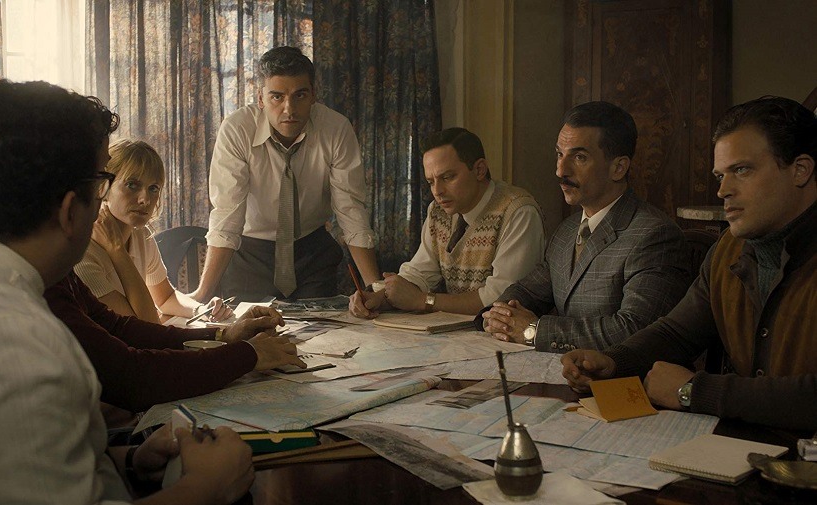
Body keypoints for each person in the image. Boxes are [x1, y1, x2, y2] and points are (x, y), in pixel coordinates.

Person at [0, 80, 253, 503]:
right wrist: (207, 486)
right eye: (103, 182)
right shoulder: (15, 344)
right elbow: (129, 368)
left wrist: (129, 460)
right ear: (69, 210)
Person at [562, 96, 817, 431]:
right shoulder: (728, 249)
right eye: (720, 175)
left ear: (800, 170)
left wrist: (694, 391)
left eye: (742, 170)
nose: (723, 191)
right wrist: (613, 362)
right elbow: (677, 333)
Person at [479, 101, 687, 353]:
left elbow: (634, 329)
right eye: (559, 154)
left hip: (625, 375)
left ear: (618, 168)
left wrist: (533, 331)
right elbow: (527, 291)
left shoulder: (654, 235)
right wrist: (500, 315)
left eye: (579, 157)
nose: (560, 171)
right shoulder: (567, 230)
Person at [192, 46, 380, 303]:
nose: (289, 109)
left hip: (312, 252)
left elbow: (351, 210)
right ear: (261, 99)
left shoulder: (336, 129)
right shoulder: (237, 129)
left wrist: (374, 287)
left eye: (300, 95)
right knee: (250, 327)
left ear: (313, 95)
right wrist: (202, 294)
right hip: (250, 254)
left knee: (323, 327)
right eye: (277, 97)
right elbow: (227, 214)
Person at [349, 127, 545, 317]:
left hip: (504, 334)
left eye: (447, 177)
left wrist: (424, 301)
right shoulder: (438, 211)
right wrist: (381, 298)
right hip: (459, 332)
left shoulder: (518, 212)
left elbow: (502, 297)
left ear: (479, 170)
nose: (437, 191)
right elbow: (420, 272)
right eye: (431, 182)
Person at [46, 271, 305, 414]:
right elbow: (131, 376)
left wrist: (222, 336)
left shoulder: (59, 272)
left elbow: (118, 328)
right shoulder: (43, 289)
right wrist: (248, 354)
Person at [75, 139, 232, 323]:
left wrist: (201, 309)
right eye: (132, 185)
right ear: (104, 187)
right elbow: (141, 326)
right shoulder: (82, 253)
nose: (145, 199)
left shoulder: (141, 235)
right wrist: (118, 251)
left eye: (153, 188)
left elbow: (165, 298)